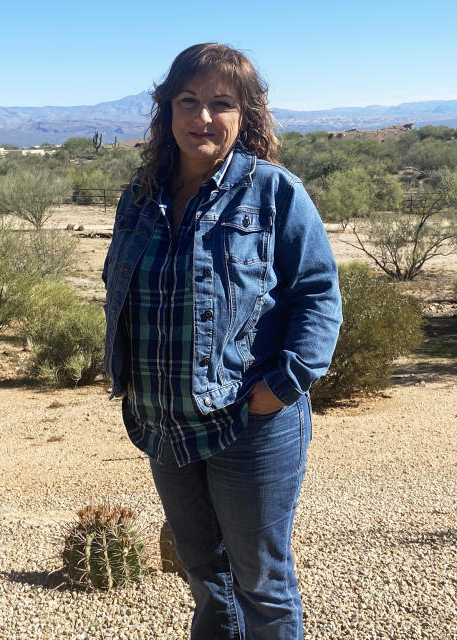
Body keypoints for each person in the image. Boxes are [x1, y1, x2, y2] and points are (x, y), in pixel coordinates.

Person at [102, 43, 342, 640]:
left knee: (261, 581)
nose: (202, 117)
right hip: (164, 421)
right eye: (189, 101)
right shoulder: (139, 196)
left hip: (250, 420)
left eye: (220, 103)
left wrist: (280, 388)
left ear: (245, 114)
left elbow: (318, 294)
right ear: (167, 110)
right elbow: (121, 290)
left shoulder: (274, 192)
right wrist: (128, 377)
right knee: (206, 576)